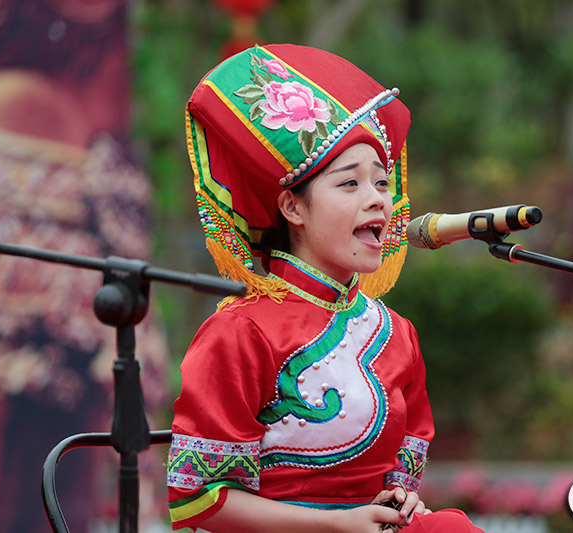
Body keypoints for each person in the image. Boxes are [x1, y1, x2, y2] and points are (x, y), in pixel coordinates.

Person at [167, 44, 484, 533]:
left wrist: (401, 501)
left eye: (382, 183)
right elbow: (198, 503)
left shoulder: (396, 333)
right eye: (350, 185)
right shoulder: (240, 331)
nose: (378, 200)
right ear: (292, 208)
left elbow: (400, 481)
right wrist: (336, 525)